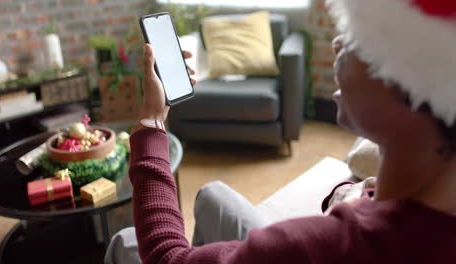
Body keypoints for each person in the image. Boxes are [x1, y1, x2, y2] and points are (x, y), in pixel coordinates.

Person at [105, 0, 456, 263]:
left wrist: (152, 121)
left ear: (416, 87)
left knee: (125, 241)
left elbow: (167, 257)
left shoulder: (318, 247)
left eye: (357, 38)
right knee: (212, 194)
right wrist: (356, 196)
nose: (337, 44)